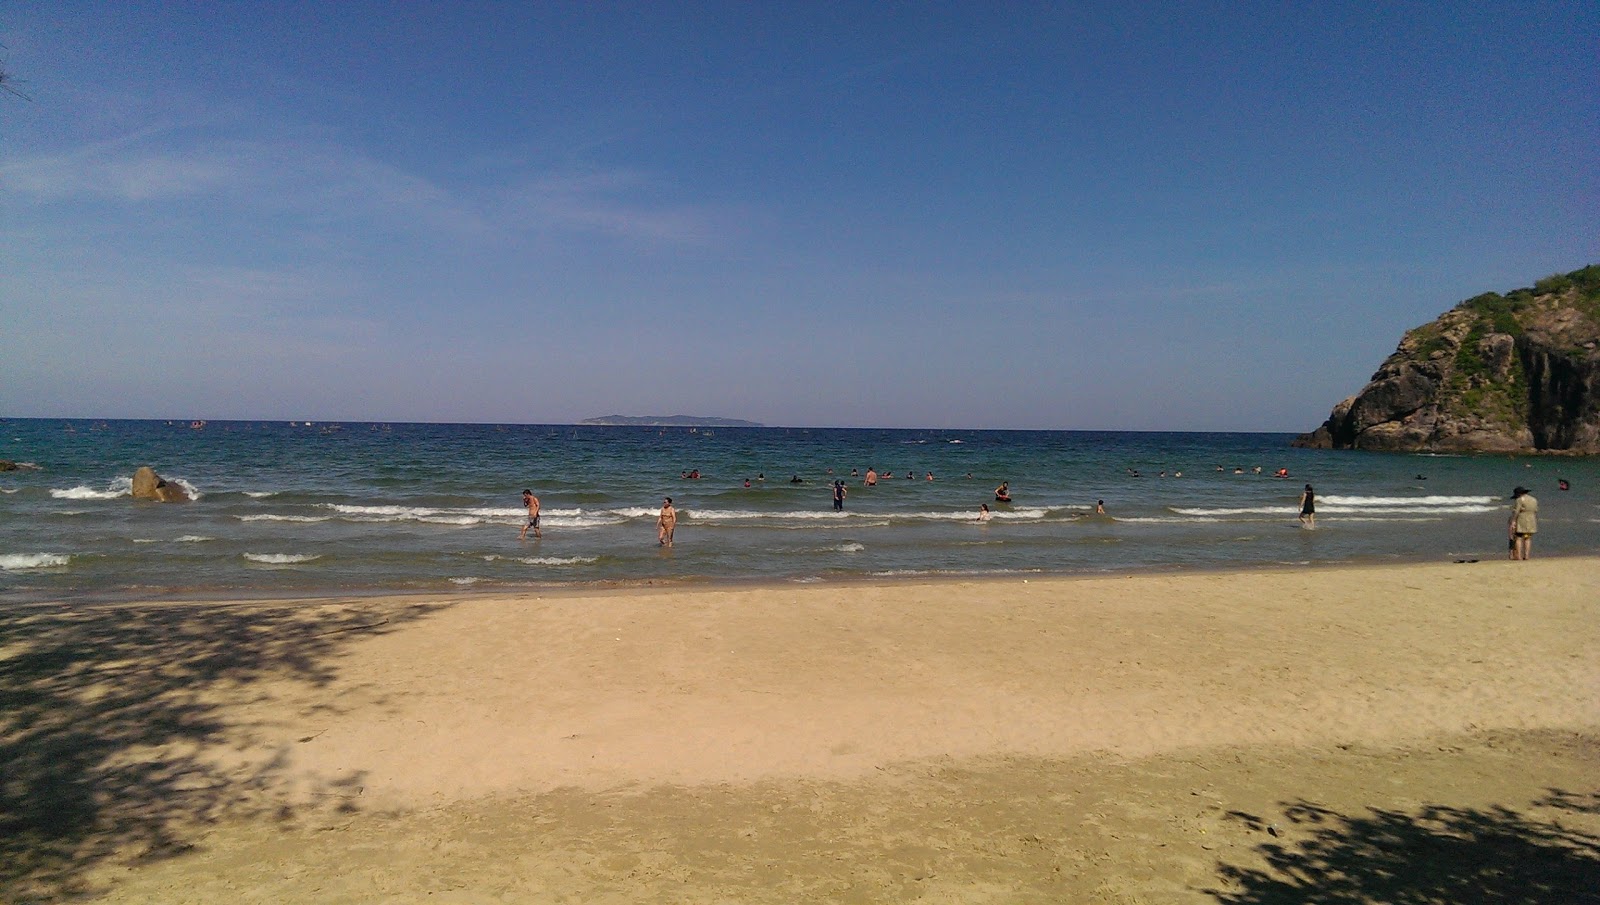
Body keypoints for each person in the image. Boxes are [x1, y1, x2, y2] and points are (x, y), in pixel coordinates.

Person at [1509, 486, 1538, 560]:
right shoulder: (1534, 499)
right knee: (1528, 538)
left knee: (1519, 537)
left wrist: (1513, 521)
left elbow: (1516, 511)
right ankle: (1527, 555)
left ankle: (1518, 556)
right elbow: (1536, 510)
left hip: (1522, 519)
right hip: (1531, 519)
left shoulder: (1519, 500)